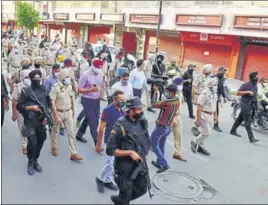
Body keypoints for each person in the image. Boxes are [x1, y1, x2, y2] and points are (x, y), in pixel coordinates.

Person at [106, 97, 151, 205]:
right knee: (126, 197)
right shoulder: (120, 126)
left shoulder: (141, 121)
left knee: (143, 189)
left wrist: (144, 154)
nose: (141, 112)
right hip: (124, 169)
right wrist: (130, 153)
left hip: (139, 165)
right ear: (130, 111)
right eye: (138, 109)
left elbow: (145, 139)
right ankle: (123, 200)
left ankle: (121, 200)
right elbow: (110, 150)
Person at [16, 70, 50, 176]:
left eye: (38, 79)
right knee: (32, 143)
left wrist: (47, 116)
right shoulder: (26, 91)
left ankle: (35, 160)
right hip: (30, 120)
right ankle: (30, 162)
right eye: (34, 79)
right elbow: (19, 106)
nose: (37, 80)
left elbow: (48, 104)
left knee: (40, 142)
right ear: (30, 79)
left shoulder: (45, 89)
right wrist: (31, 107)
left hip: (41, 121)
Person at [95, 91, 125, 193]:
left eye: (124, 100)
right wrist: (99, 144)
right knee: (111, 163)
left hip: (120, 141)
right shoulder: (107, 110)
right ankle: (100, 178)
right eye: (121, 100)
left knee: (115, 164)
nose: (123, 101)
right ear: (115, 100)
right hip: (110, 140)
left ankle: (108, 180)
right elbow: (101, 128)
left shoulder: (122, 110)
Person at [50, 69, 83, 161]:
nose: (69, 78)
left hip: (68, 112)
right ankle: (54, 146)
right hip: (58, 112)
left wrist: (73, 111)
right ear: (62, 77)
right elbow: (52, 101)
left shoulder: (70, 86)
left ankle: (74, 153)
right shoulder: (55, 87)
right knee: (54, 130)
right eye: (67, 77)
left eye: (69, 77)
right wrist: (56, 115)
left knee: (71, 133)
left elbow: (72, 99)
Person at [150, 84, 180, 173]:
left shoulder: (167, 102)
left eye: (166, 92)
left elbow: (153, 104)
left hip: (161, 127)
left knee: (154, 144)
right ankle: (159, 162)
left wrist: (155, 92)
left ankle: (165, 164)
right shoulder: (177, 100)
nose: (165, 93)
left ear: (171, 93)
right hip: (168, 127)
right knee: (161, 145)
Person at [76, 59, 105, 144]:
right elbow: (79, 89)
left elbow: (101, 85)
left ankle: (79, 134)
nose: (98, 70)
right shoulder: (85, 75)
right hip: (87, 99)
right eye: (97, 68)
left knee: (93, 119)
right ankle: (97, 143)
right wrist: (90, 89)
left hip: (96, 99)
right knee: (93, 121)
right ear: (92, 66)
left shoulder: (101, 73)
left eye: (100, 68)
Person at [190, 78, 218, 156]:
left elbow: (214, 105)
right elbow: (199, 107)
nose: (217, 86)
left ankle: (200, 147)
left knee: (204, 132)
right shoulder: (204, 94)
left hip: (211, 115)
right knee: (207, 132)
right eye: (215, 85)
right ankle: (195, 142)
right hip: (203, 115)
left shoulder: (214, 94)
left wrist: (215, 116)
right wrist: (198, 119)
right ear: (211, 85)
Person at [230, 72, 260, 143]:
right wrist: (248, 92)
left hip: (250, 104)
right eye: (256, 77)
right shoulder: (246, 85)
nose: (257, 78)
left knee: (240, 118)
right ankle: (251, 138)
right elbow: (237, 93)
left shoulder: (255, 85)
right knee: (247, 120)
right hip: (244, 104)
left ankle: (233, 130)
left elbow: (255, 95)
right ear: (252, 77)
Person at [11, 69, 31, 154]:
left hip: (32, 111)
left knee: (31, 127)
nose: (27, 78)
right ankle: (24, 145)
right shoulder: (18, 87)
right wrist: (14, 113)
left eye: (28, 77)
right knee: (23, 128)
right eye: (26, 77)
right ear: (22, 77)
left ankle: (30, 143)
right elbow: (14, 101)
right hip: (21, 111)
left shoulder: (34, 85)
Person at [171, 77, 187, 161]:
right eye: (180, 84)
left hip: (178, 116)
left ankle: (177, 153)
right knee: (162, 133)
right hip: (171, 116)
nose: (181, 86)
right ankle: (154, 145)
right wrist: (172, 118)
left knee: (178, 135)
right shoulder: (172, 94)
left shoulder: (180, 93)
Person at [212, 67, 228, 132]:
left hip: (217, 97)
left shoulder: (223, 79)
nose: (223, 72)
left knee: (216, 111)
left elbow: (222, 89)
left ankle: (216, 125)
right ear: (218, 71)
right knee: (206, 110)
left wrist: (224, 97)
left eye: (224, 71)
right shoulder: (213, 77)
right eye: (222, 71)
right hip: (211, 96)